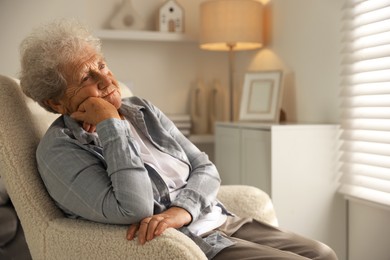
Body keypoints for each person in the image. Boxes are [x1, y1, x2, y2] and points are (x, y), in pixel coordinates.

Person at [19, 19, 338, 260]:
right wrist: (110, 125)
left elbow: (205, 167)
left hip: (217, 219)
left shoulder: (141, 109)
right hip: (192, 243)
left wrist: (183, 209)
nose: (106, 79)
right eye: (87, 77)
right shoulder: (59, 151)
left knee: (322, 253)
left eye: (101, 64)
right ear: (56, 103)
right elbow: (134, 208)